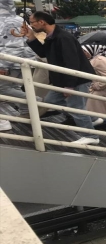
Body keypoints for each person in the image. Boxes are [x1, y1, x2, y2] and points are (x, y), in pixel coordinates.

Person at [23, 11, 100, 145]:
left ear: (42, 22)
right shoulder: (51, 36)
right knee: (50, 101)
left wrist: (69, 85)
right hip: (62, 79)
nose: (31, 25)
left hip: (76, 79)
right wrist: (30, 37)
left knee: (75, 107)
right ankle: (91, 118)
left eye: (32, 23)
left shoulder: (63, 38)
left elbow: (72, 62)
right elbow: (43, 53)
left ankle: (91, 136)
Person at [0, 0, 39, 120]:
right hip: (22, 61)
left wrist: (3, 65)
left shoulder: (7, 22)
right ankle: (27, 113)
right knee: (15, 87)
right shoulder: (16, 19)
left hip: (12, 62)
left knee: (3, 88)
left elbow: (13, 46)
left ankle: (37, 100)